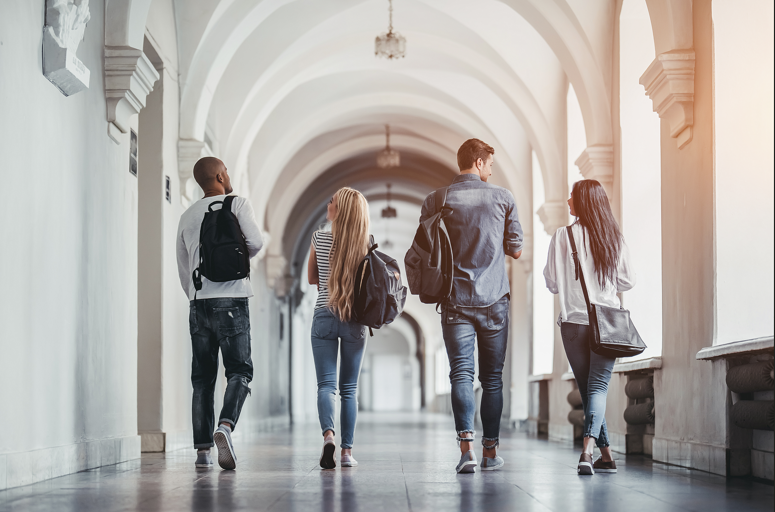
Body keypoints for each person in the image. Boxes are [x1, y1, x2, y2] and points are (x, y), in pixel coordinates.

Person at [420, 139, 523, 473]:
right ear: (478, 162)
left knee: (460, 374)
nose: (491, 171)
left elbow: (425, 248)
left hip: (454, 301)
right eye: (490, 164)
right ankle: (490, 452)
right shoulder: (503, 197)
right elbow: (516, 249)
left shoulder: (436, 199)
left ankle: (467, 451)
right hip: (495, 301)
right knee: (492, 379)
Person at [176, 157, 264, 470]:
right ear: (219, 174)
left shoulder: (187, 214)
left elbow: (183, 267)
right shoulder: (236, 204)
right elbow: (256, 243)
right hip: (233, 298)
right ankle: (224, 426)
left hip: (199, 302)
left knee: (202, 378)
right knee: (239, 370)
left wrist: (197, 295)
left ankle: (202, 452)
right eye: (225, 170)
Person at [543, 179, 635, 475]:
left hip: (573, 325)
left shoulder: (561, 236)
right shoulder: (613, 238)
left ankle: (593, 453)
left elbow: (552, 283)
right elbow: (627, 281)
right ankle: (597, 453)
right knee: (594, 389)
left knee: (588, 390)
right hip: (607, 324)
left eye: (572, 196)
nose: (568, 200)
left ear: (583, 202)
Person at [307, 187, 370, 470]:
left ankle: (328, 436)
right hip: (354, 319)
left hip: (323, 314)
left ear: (339, 210)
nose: (327, 203)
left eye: (331, 201)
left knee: (326, 386)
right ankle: (346, 453)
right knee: (349, 390)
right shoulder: (365, 242)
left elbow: (311, 278)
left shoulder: (318, 237)